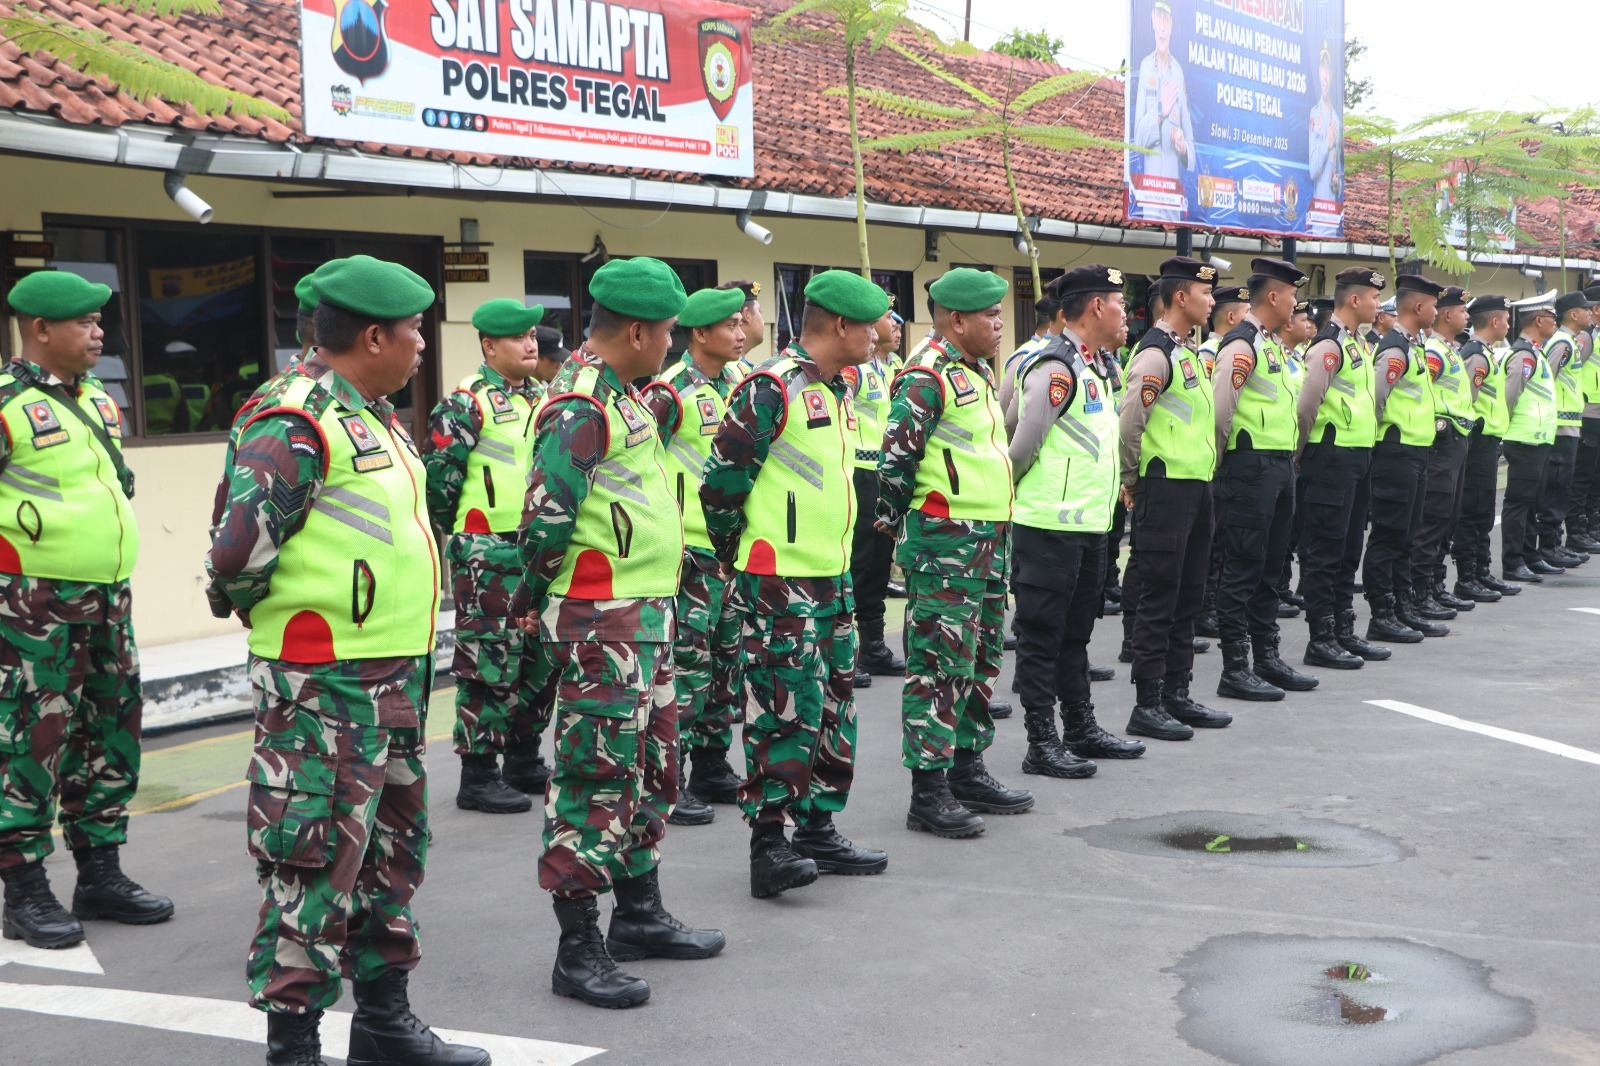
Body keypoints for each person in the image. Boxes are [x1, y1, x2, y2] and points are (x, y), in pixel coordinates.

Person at [205, 256, 487, 1065]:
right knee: (313, 864)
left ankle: (384, 1022)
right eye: (413, 331)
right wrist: (293, 623)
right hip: (324, 686)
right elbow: (235, 556)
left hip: (393, 680)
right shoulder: (294, 420)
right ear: (372, 336)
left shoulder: (374, 414)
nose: (423, 346)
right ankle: (293, 1047)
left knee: (392, 855)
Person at [513, 258, 723, 1009]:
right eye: (667, 333)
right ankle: (578, 945)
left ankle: (638, 913)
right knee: (594, 777)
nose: (671, 345)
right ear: (635, 331)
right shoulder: (579, 406)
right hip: (603, 622)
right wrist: (545, 608)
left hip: (645, 616)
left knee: (652, 768)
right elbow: (543, 526)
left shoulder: (624, 397)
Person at [701, 269, 890, 898]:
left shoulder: (836, 388)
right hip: (778, 579)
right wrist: (737, 555)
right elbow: (721, 484)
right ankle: (768, 845)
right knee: (783, 708)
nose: (878, 335)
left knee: (834, 704)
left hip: (829, 576)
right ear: (839, 326)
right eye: (869, 325)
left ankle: (817, 828)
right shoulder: (770, 388)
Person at [0, 270, 171, 952]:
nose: (100, 332)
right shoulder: (7, 403)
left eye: (101, 320)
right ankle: (23, 884)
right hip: (31, 604)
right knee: (28, 742)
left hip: (106, 597)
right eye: (84, 322)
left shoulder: (98, 400)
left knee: (110, 729)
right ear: (40, 330)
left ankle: (100, 872)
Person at [875, 269, 1037, 838]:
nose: (1000, 324)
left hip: (986, 541)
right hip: (945, 542)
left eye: (1000, 314)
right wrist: (898, 533)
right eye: (990, 316)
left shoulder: (974, 369)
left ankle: (968, 767)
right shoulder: (925, 375)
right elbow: (895, 462)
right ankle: (930, 788)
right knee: (939, 663)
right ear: (957, 319)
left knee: (980, 656)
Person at [1008, 266, 1148, 763]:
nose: (1126, 315)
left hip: (1089, 526)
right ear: (1095, 307)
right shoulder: (1056, 367)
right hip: (1048, 526)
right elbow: (1019, 446)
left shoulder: (1097, 365)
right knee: (1043, 636)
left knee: (1076, 634)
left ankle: (1079, 726)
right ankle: (1041, 741)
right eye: (1119, 303)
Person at [421, 297, 549, 816]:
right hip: (486, 551)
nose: (531, 344)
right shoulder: (465, 403)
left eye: (534, 335)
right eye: (518, 337)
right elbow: (438, 484)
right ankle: (478, 772)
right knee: (489, 661)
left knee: (538, 658)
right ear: (489, 345)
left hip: (534, 546)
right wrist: (462, 542)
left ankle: (523, 755)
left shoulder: (544, 397)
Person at [638, 287, 750, 828]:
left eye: (740, 323)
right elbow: (642, 466)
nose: (741, 332)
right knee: (687, 661)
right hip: (690, 550)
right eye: (729, 325)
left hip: (732, 547)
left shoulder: (742, 384)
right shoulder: (668, 392)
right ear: (699, 334)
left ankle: (711, 762)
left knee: (728, 659)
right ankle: (669, 775)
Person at [1117, 257, 1233, 735]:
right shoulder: (1156, 353)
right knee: (1159, 597)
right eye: (1206, 293)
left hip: (1196, 486)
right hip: (1163, 488)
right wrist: (1132, 478)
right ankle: (1147, 704)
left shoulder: (1189, 352)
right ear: (1181, 297)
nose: (1213, 301)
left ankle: (1177, 693)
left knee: (1189, 594)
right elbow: (1130, 423)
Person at [1210, 258, 1319, 701]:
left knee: (1272, 568)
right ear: (1273, 296)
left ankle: (1267, 657)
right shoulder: (1242, 345)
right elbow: (1221, 412)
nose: (1296, 304)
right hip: (1248, 467)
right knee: (1242, 568)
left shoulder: (1273, 345)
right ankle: (1235, 667)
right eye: (1292, 294)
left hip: (1278, 468)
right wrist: (1219, 467)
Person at [1294, 268, 1394, 662]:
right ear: (1354, 300)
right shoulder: (1329, 345)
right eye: (1372, 298)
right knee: (1325, 551)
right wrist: (1300, 454)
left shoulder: (1358, 344)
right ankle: (1321, 639)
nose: (1377, 305)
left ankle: (1342, 629)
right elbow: (1306, 405)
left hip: (1357, 456)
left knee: (1349, 548)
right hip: (1330, 457)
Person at [1364, 274, 1452, 640]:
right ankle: (1382, 614)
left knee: (1407, 535)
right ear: (1419, 307)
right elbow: (1377, 399)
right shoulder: (1395, 347)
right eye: (1433, 305)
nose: (1437, 311)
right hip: (1395, 452)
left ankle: (1403, 607)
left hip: (1416, 452)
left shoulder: (1414, 345)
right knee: (1389, 535)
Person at [846, 310, 907, 688]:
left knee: (879, 563)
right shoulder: (856, 370)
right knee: (859, 560)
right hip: (859, 473)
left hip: (883, 474)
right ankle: (847, 648)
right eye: (889, 321)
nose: (895, 329)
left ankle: (873, 645)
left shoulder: (889, 367)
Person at [1410, 287, 1479, 615]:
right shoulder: (1435, 351)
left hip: (1457, 440)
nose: (1467, 317)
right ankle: (1420, 591)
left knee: (1448, 517)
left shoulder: (1449, 350)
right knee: (1434, 516)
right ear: (1448, 315)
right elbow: (1424, 393)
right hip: (1443, 441)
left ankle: (1435, 583)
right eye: (1463, 311)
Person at [1451, 296, 1517, 600]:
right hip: (1476, 441)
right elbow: (1469, 400)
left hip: (1488, 442)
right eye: (1505, 318)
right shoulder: (1476, 355)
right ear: (1494, 321)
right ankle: (1467, 576)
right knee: (1474, 509)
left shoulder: (1486, 354)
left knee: (1484, 511)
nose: (1508, 323)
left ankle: (1481, 570)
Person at [1193, 284, 1248, 639]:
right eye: (1245, 314)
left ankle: (1209, 606)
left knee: (1222, 540)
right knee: (1214, 542)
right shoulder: (1211, 352)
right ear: (1231, 317)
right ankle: (1205, 607)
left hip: (1223, 457)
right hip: (1217, 458)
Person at [1500, 295, 1561, 583]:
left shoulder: (1535, 352)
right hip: (1524, 439)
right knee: (1519, 503)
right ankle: (1513, 562)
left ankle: (1530, 555)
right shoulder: (1524, 354)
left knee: (1532, 502)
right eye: (1552, 317)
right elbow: (1509, 396)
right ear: (1539, 320)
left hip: (1537, 439)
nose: (1555, 323)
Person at [1533, 292, 1594, 569]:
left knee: (1563, 485)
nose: (1589, 313)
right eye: (1585, 309)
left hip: (1570, 423)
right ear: (1573, 314)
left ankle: (1554, 542)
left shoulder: (1568, 340)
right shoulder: (1563, 343)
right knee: (1556, 486)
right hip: (1558, 426)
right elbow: (1547, 380)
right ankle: (1548, 544)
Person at [1131, 0, 1195, 223]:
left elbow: (1190, 142)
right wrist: (1161, 111)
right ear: (1152, 21)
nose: (1161, 26)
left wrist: (1184, 147)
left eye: (1165, 20)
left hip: (1173, 191)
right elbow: (1137, 138)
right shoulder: (1145, 67)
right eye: (1157, 18)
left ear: (1171, 25)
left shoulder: (1178, 73)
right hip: (1150, 192)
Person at [1572, 285, 1600, 552]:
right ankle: (1577, 529)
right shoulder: (1586, 338)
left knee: (1597, 476)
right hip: (1588, 414)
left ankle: (1593, 523)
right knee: (1584, 474)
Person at [1308, 41, 1342, 236]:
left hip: (1334, 218)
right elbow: (1313, 170)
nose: (1325, 76)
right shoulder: (1315, 115)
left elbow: (1338, 179)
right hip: (1319, 219)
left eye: (1329, 68)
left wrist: (1337, 184)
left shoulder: (1337, 119)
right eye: (1322, 67)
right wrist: (1327, 145)